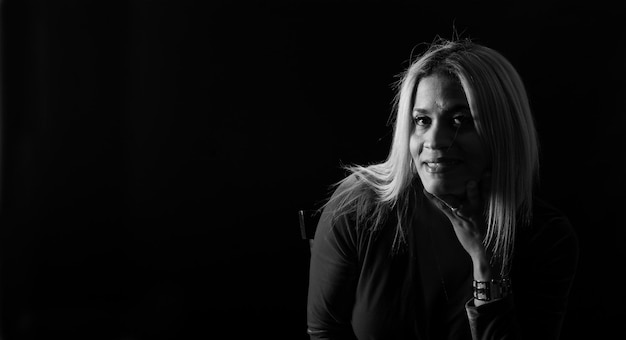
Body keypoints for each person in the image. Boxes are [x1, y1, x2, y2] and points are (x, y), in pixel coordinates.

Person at [306, 38, 579, 340]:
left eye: (459, 120)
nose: (434, 140)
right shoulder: (358, 206)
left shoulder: (547, 235)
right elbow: (325, 333)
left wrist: (486, 266)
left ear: (502, 130)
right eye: (422, 120)